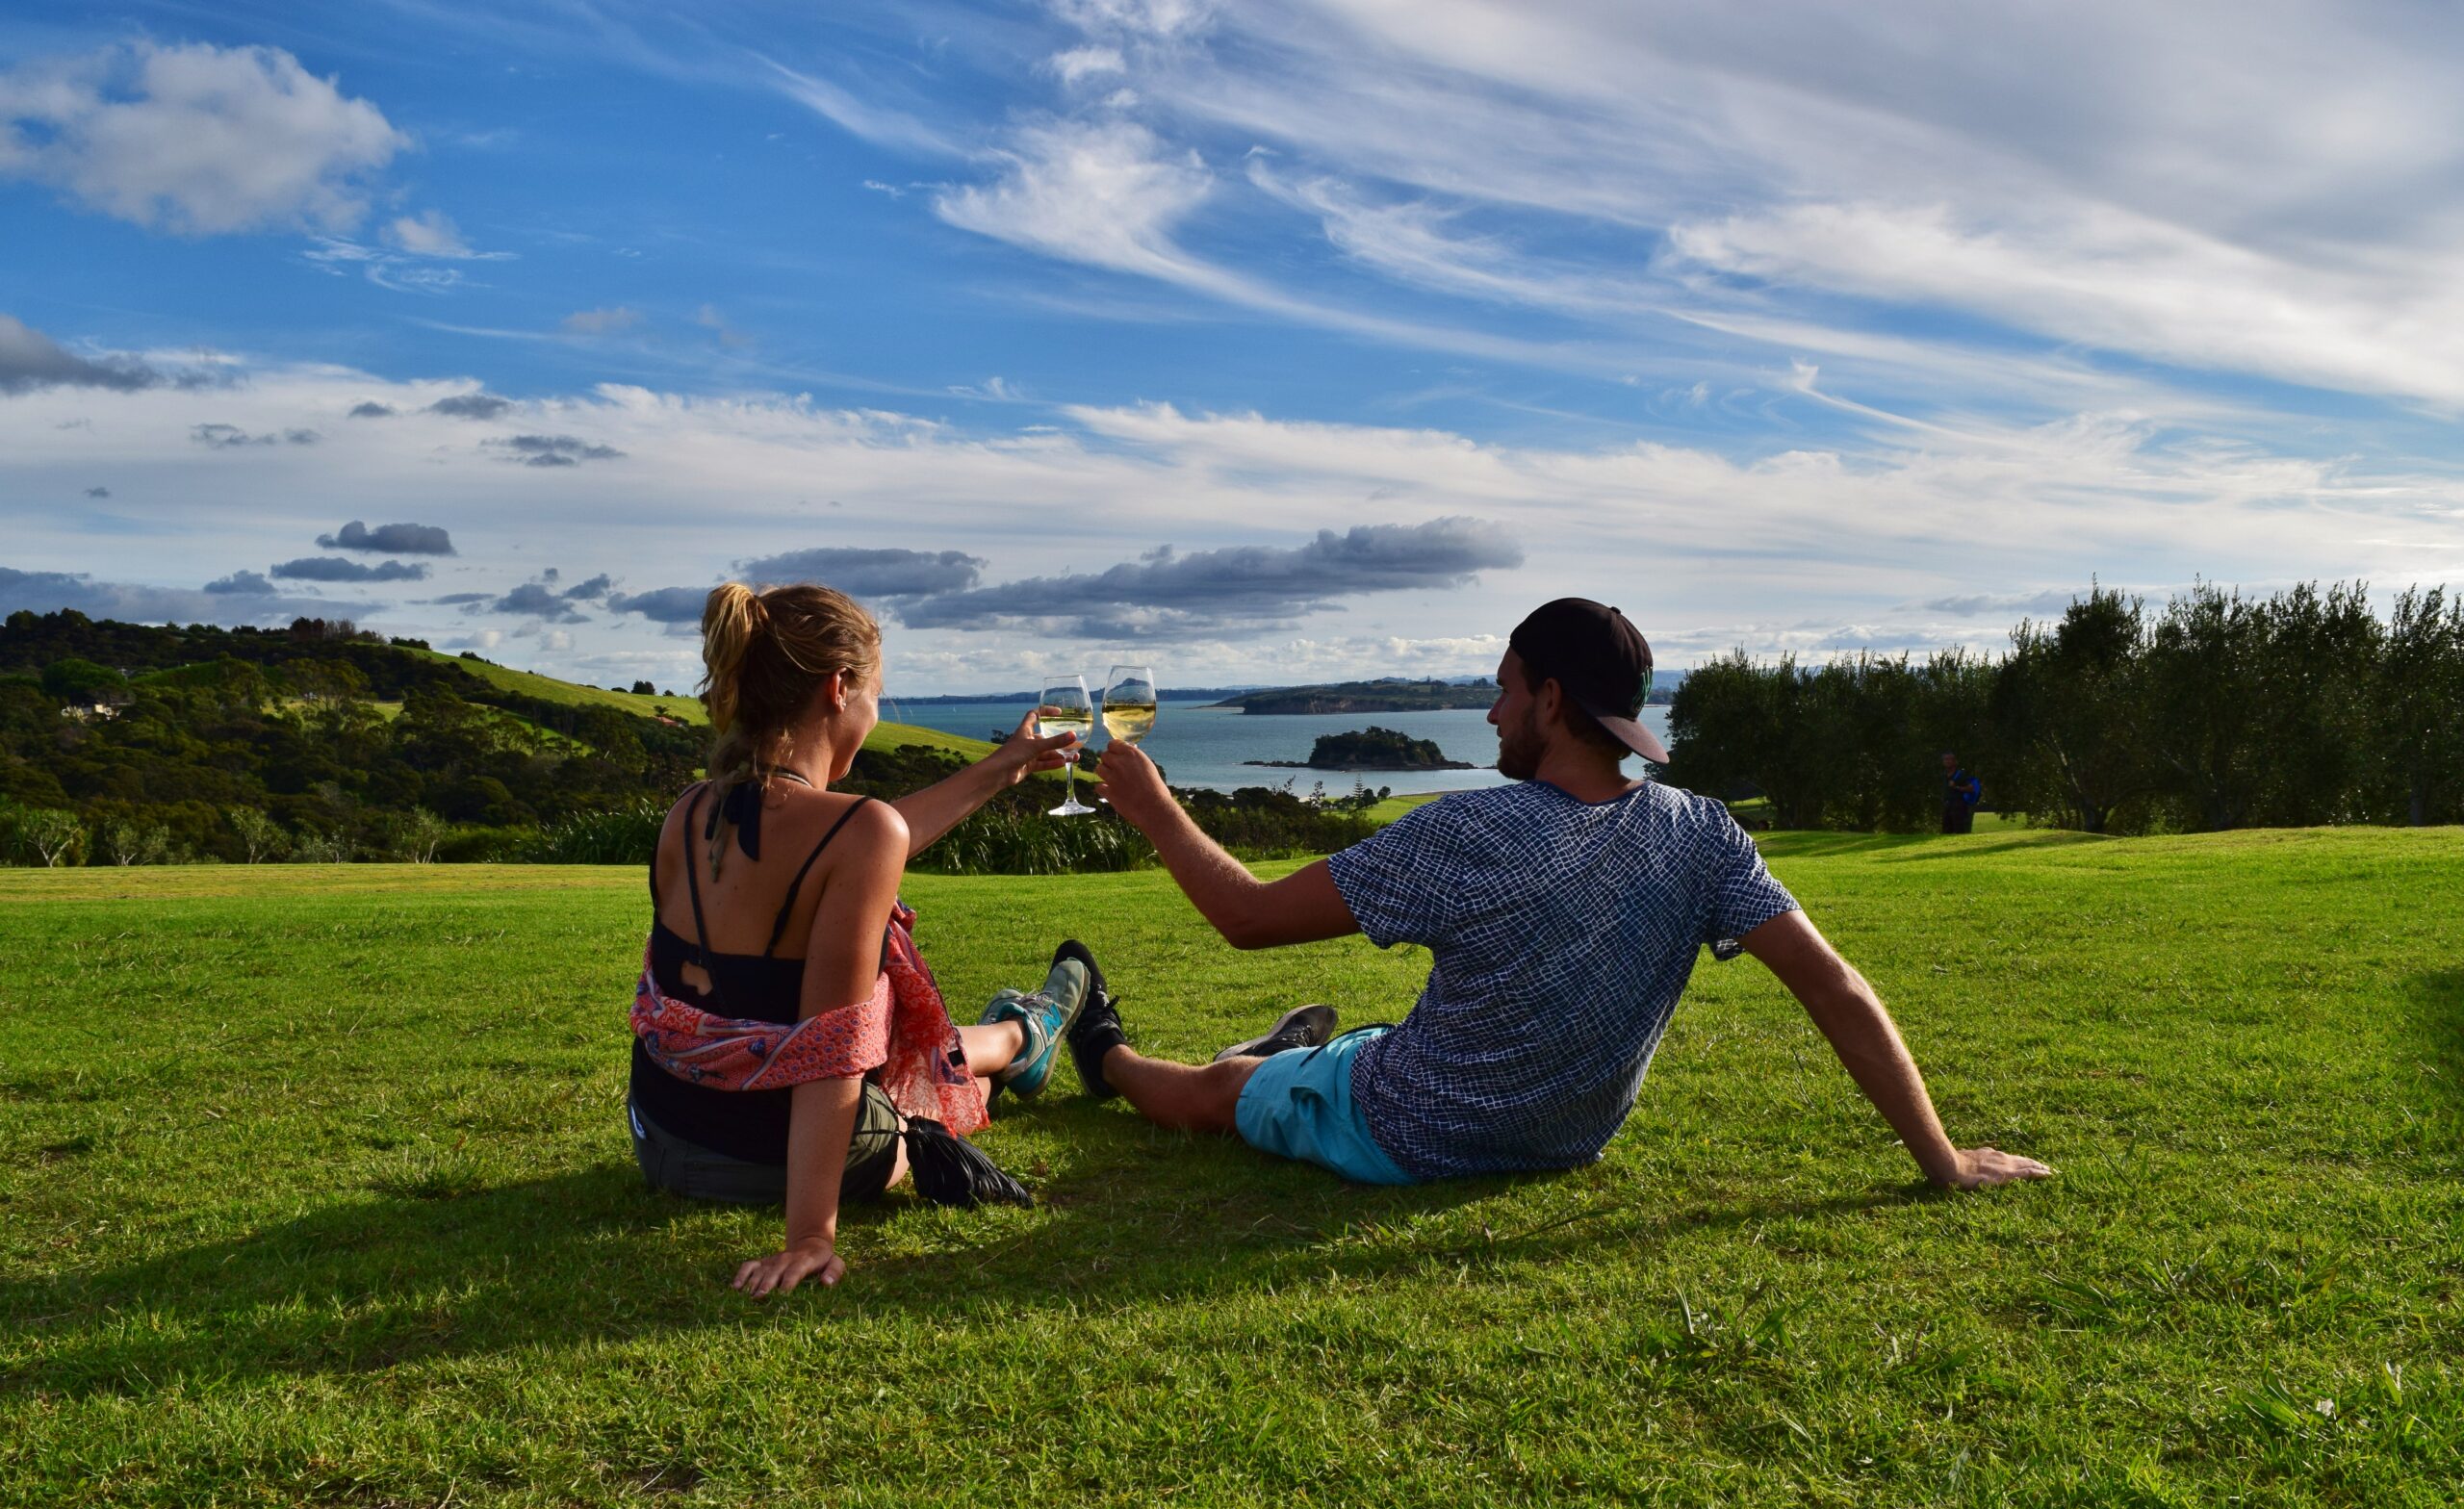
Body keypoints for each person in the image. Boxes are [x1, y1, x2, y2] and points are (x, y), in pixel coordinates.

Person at [1067, 597, 2051, 1193]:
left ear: (1548, 702)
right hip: (1561, 1143)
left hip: (1406, 1134)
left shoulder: (1469, 830)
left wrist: (1153, 809)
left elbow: (1246, 916)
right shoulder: (1702, 831)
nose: (1490, 713)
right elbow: (1833, 986)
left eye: (1502, 690)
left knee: (1221, 1091)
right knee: (1358, 1048)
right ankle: (1301, 1056)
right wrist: (1942, 1156)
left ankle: (1101, 1054)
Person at [628, 582, 1092, 1296]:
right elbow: (830, 1050)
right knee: (918, 1095)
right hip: (768, 1161)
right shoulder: (858, 835)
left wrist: (1007, 765)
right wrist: (810, 1234)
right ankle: (1024, 1033)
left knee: (921, 1067)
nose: (876, 714)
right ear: (839, 688)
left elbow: (866, 841)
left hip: (660, 1140)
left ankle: (1020, 1035)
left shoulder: (688, 814)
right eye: (876, 694)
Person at [1941, 752, 1982, 834]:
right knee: (1946, 830)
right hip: (1947, 804)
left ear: (1955, 762)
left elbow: (1971, 789)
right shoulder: (1944, 775)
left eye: (1950, 759)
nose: (1948, 761)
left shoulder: (1961, 775)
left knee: (1959, 830)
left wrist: (1956, 787)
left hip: (1959, 805)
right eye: (1945, 759)